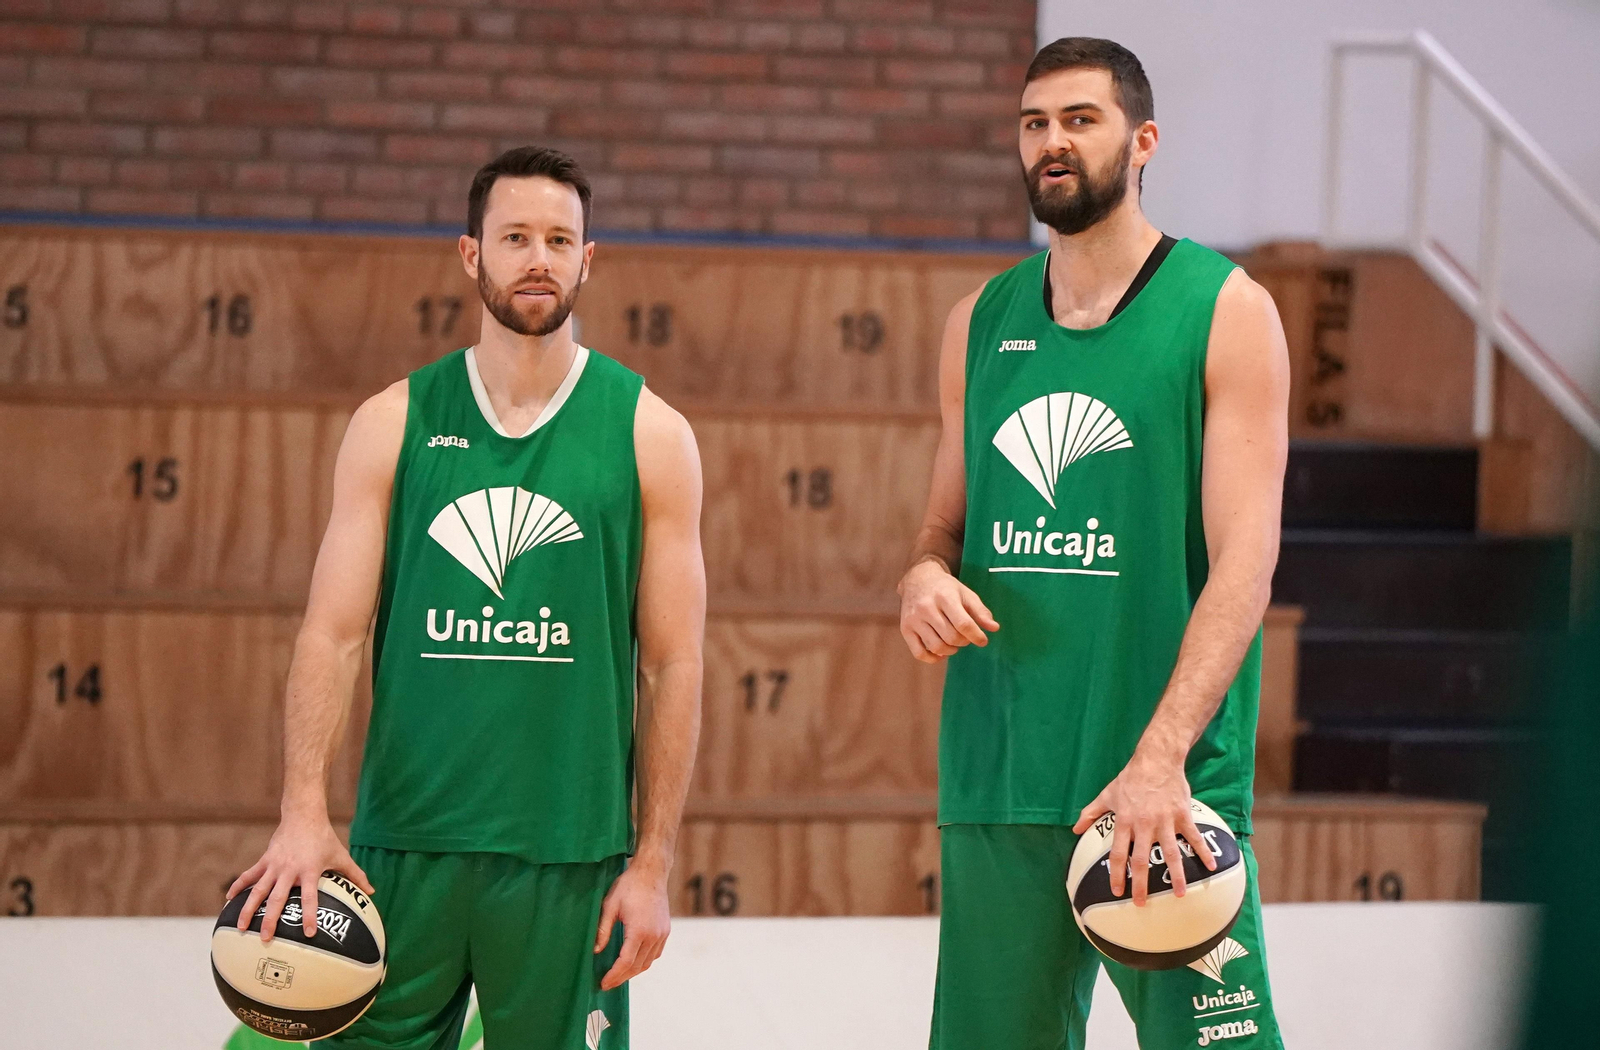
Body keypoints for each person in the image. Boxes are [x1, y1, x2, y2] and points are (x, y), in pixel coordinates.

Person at [226, 146, 705, 1050]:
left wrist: (653, 863)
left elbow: (673, 663)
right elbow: (331, 634)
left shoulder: (651, 432)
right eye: (514, 236)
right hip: (402, 852)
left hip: (571, 859)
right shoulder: (392, 421)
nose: (538, 258)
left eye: (560, 239)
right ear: (469, 253)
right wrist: (301, 813)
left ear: (588, 260)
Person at [898, 38, 1290, 1050]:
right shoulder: (979, 321)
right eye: (1034, 124)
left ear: (1142, 139)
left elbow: (1244, 566)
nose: (1052, 143)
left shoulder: (1225, 311)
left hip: (1163, 794)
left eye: (1080, 119)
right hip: (1002, 777)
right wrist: (921, 578)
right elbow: (943, 529)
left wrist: (1161, 760)